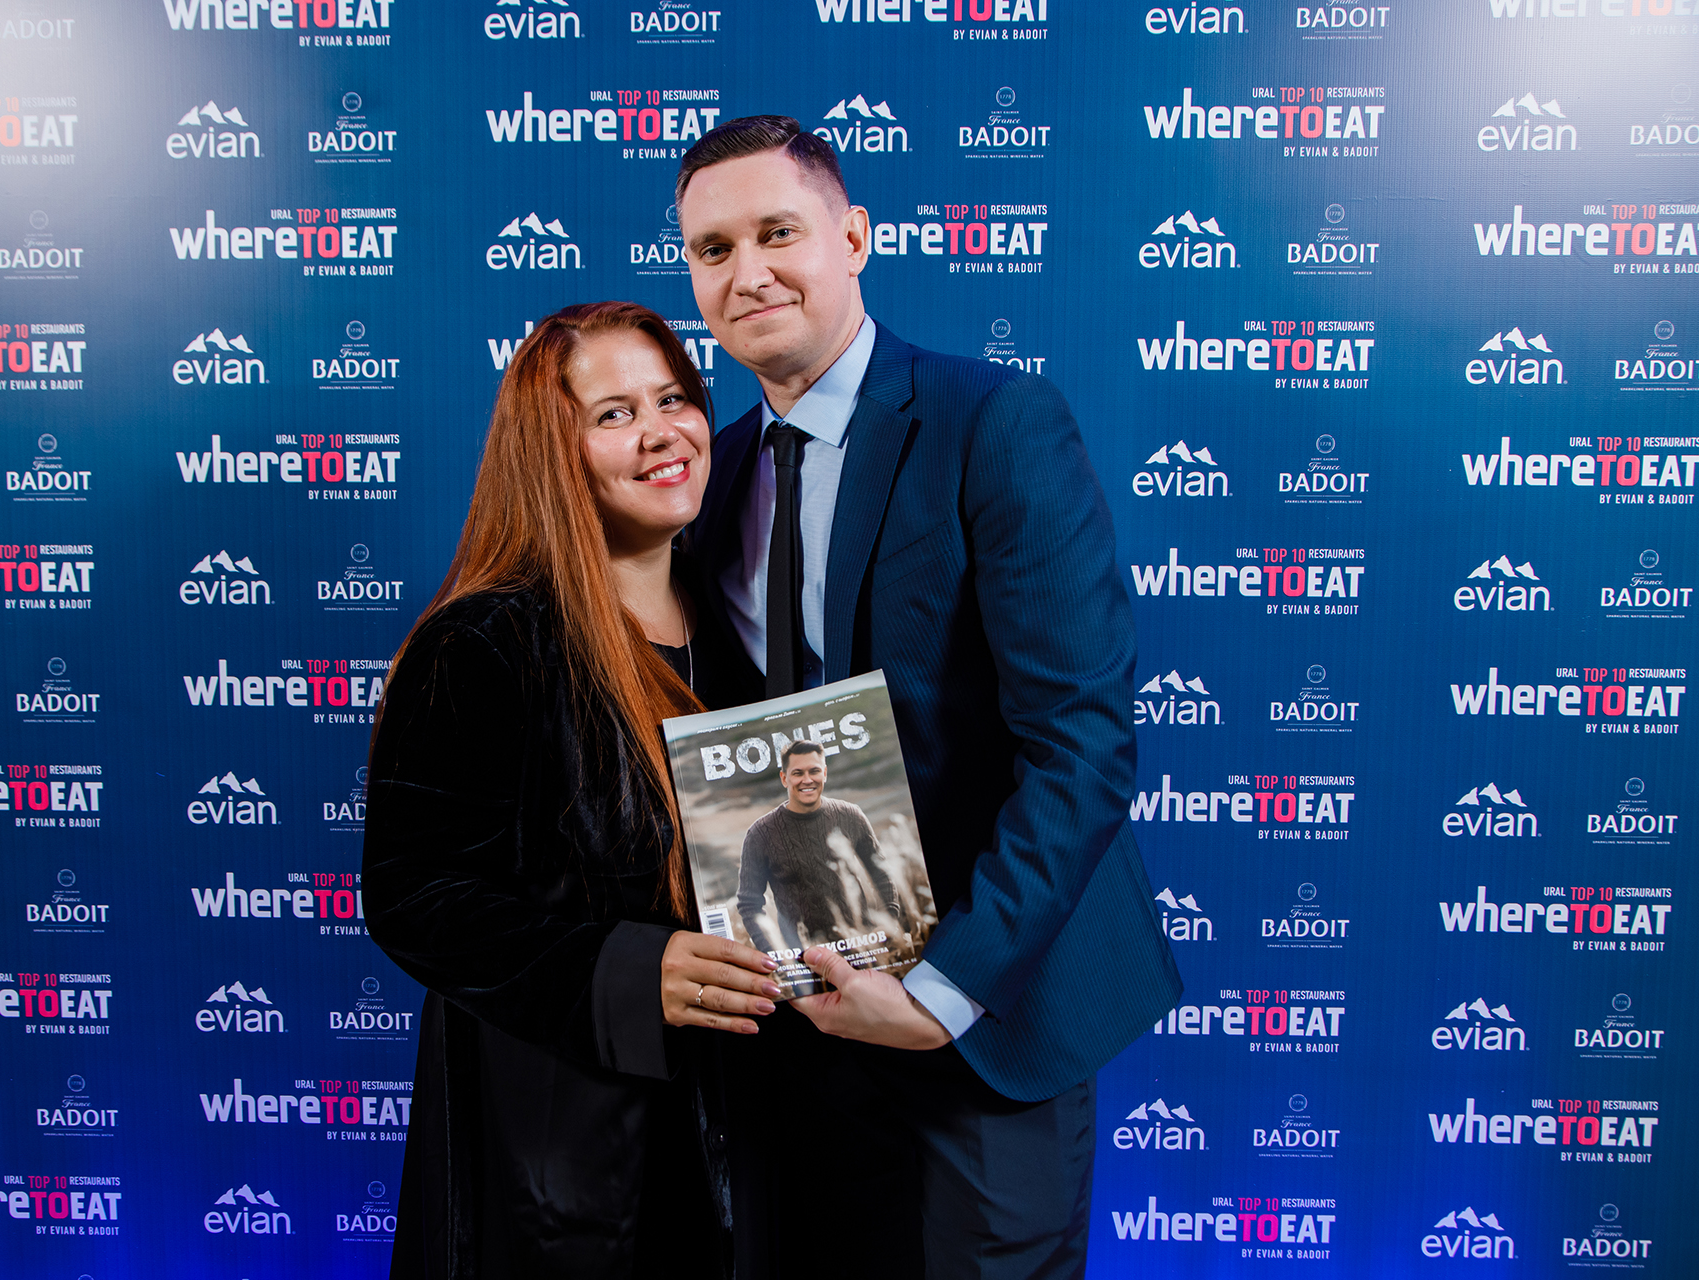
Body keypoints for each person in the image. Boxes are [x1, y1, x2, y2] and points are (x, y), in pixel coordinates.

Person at [676, 116, 1183, 1278]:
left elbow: (1083, 743)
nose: (748, 272)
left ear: (854, 238)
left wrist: (942, 990)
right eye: (713, 249)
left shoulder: (993, 420)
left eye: (777, 232)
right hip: (801, 1021)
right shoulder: (714, 471)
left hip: (986, 1004)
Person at [362, 301, 780, 1279]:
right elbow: (414, 895)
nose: (661, 432)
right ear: (554, 454)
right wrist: (625, 970)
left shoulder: (743, 630)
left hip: (744, 1139)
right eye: (614, 414)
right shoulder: (484, 643)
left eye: (673, 399)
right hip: (569, 1164)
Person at [735, 739, 906, 955]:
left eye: (814, 771)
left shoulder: (851, 815)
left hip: (863, 949)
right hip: (804, 959)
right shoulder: (760, 833)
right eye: (798, 773)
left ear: (824, 773)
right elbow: (749, 903)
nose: (807, 780)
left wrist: (888, 921)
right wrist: (776, 953)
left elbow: (880, 871)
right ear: (784, 778)